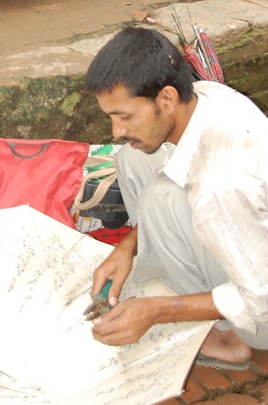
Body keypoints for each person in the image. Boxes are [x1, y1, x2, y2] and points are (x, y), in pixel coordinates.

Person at [84, 26, 268, 370]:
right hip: (249, 231)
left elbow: (262, 300)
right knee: (133, 156)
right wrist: (127, 247)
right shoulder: (205, 95)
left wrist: (157, 311)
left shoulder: (219, 186)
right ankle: (173, 272)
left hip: (263, 313)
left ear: (166, 98)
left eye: (124, 116)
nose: (116, 130)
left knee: (160, 198)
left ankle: (228, 337)